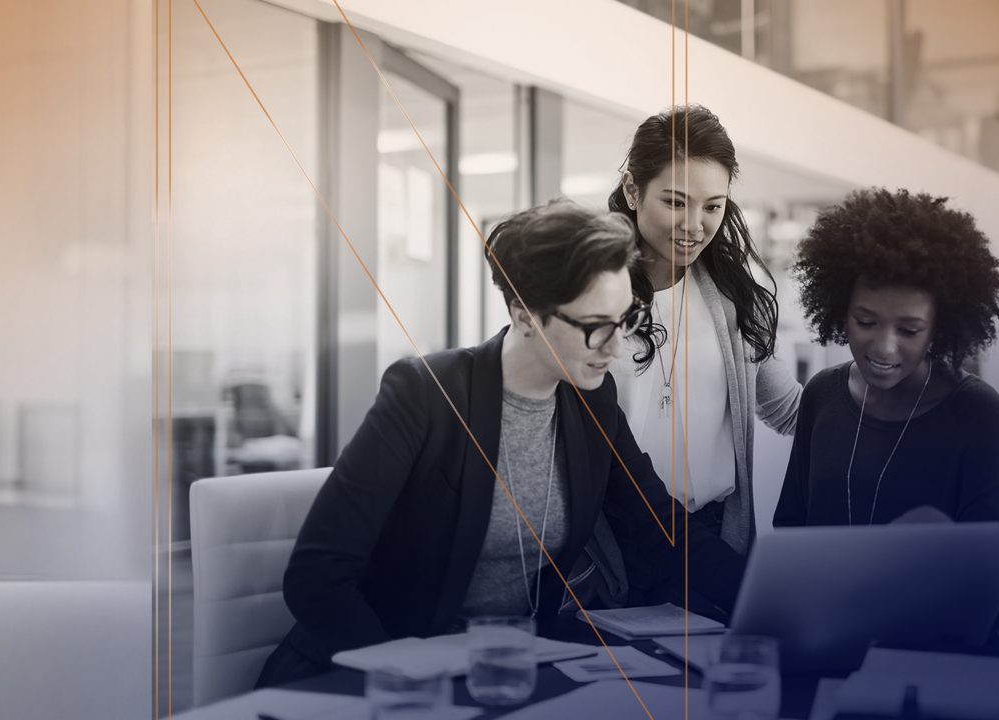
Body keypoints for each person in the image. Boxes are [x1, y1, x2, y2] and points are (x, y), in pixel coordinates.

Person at [257, 200, 746, 687]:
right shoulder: (426, 394)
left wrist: (762, 595)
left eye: (625, 321)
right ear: (525, 313)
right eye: (596, 327)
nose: (616, 347)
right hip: (381, 675)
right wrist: (407, 677)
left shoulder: (591, 402)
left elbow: (657, 526)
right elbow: (318, 576)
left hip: (508, 670)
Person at [609, 105, 801, 554]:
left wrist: (901, 402)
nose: (694, 226)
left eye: (712, 206)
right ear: (632, 190)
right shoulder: (593, 296)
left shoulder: (733, 296)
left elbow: (789, 409)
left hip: (714, 533)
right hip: (615, 539)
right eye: (675, 202)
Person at [774, 188, 999, 528]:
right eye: (866, 322)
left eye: (909, 330)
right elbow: (790, 527)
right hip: (821, 583)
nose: (884, 347)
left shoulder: (978, 413)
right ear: (841, 311)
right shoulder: (822, 394)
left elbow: (988, 565)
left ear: (939, 328)